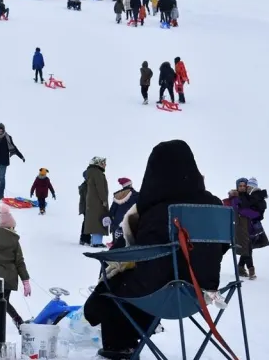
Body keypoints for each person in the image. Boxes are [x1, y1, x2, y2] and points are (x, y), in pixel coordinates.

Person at [83, 140, 228, 359]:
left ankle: (119, 350)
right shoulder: (215, 207)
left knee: (113, 289)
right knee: (138, 284)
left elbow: (146, 253)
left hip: (159, 294)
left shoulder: (159, 210)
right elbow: (223, 245)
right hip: (199, 293)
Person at [225, 177, 269, 280]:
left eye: (244, 186)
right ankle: (251, 270)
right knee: (247, 247)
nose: (242, 188)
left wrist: (257, 214)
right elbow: (240, 211)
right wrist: (255, 214)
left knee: (248, 247)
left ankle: (240, 267)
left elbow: (252, 209)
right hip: (240, 227)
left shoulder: (249, 197)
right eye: (240, 186)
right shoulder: (235, 197)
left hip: (251, 227)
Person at [84, 157, 109, 248]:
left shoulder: (91, 172)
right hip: (98, 202)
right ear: (98, 163)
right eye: (103, 163)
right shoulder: (98, 173)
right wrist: (104, 200)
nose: (105, 165)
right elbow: (100, 188)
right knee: (99, 222)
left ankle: (95, 241)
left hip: (92, 202)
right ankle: (97, 242)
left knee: (94, 221)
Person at [108, 178, 137, 248]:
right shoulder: (136, 195)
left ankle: (115, 242)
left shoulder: (118, 196)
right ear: (130, 185)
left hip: (117, 223)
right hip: (129, 220)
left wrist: (111, 219)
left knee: (116, 230)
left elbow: (112, 211)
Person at [78, 170, 90, 245]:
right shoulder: (85, 185)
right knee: (86, 222)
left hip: (85, 207)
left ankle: (85, 238)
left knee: (86, 222)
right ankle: (84, 238)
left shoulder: (85, 185)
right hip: (86, 207)